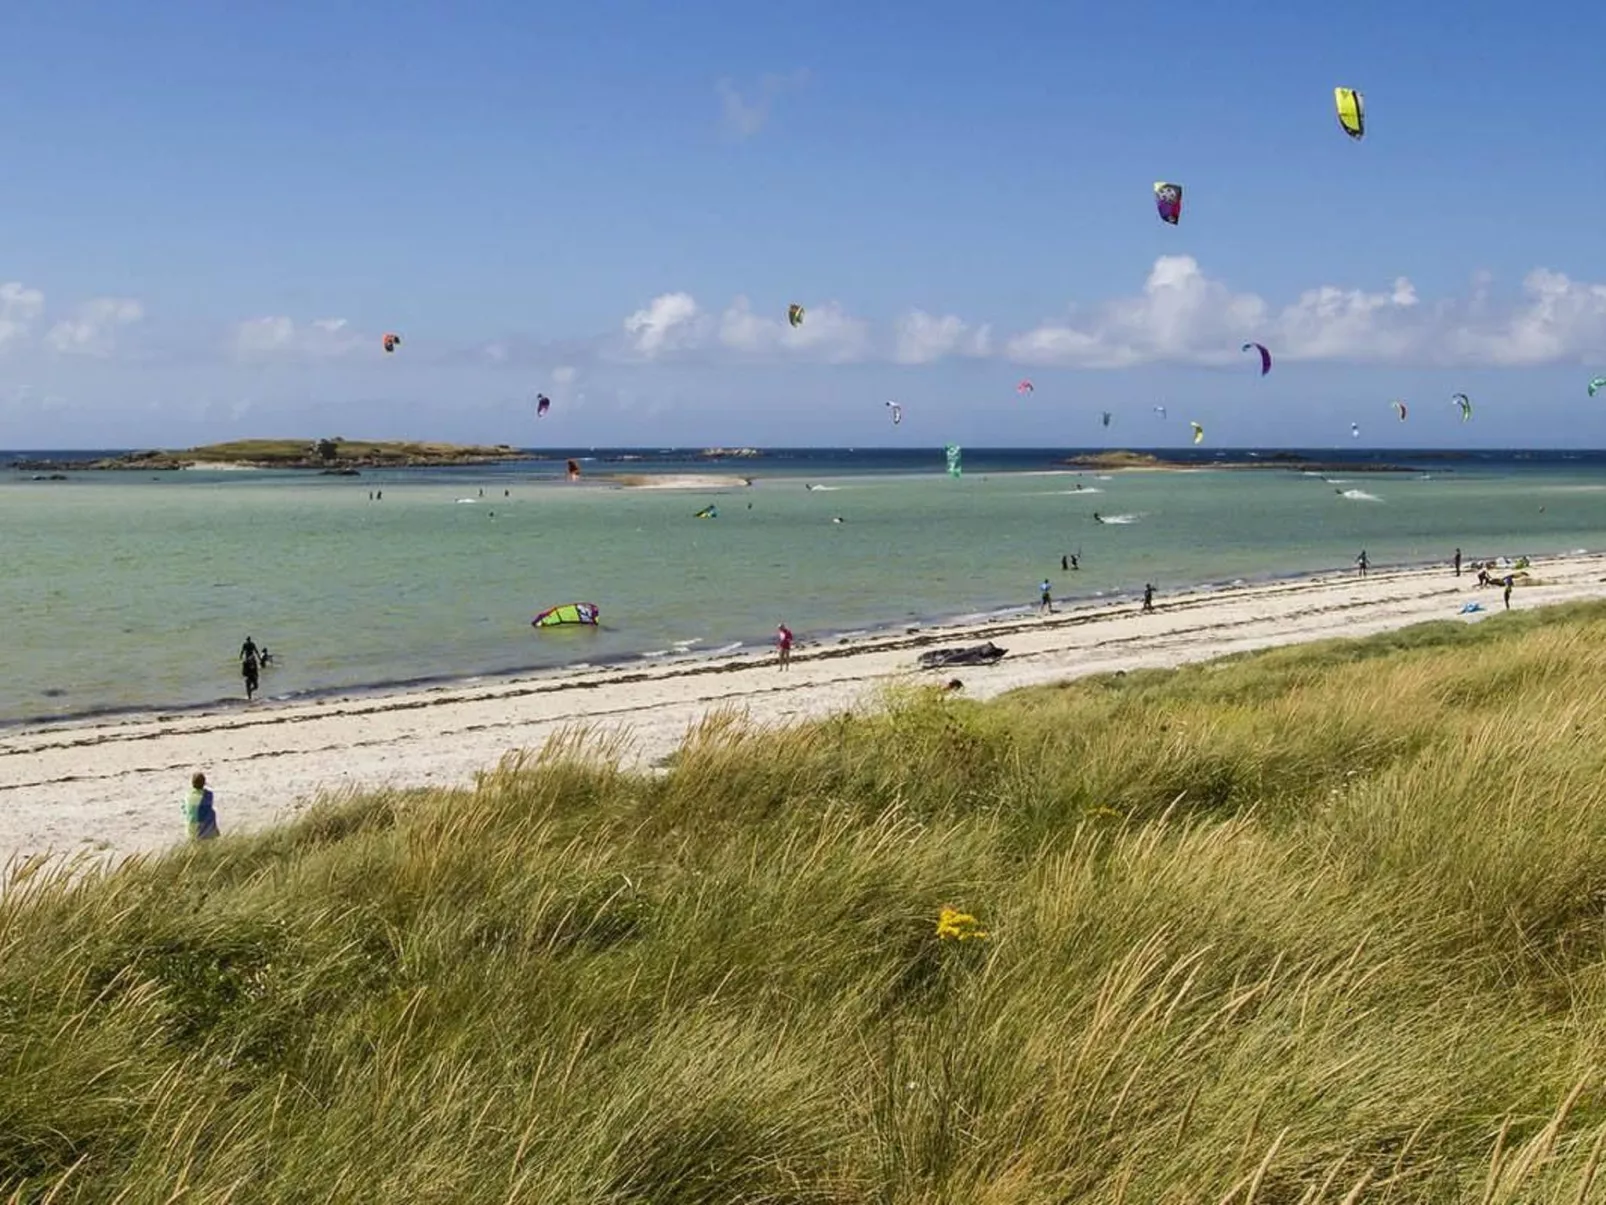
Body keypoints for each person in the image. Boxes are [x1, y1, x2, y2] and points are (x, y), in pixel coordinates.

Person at [185, 772, 220, 841]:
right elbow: (209, 805)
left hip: (191, 828)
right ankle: (212, 836)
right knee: (212, 813)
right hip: (204, 828)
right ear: (204, 783)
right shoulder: (208, 794)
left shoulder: (188, 794)